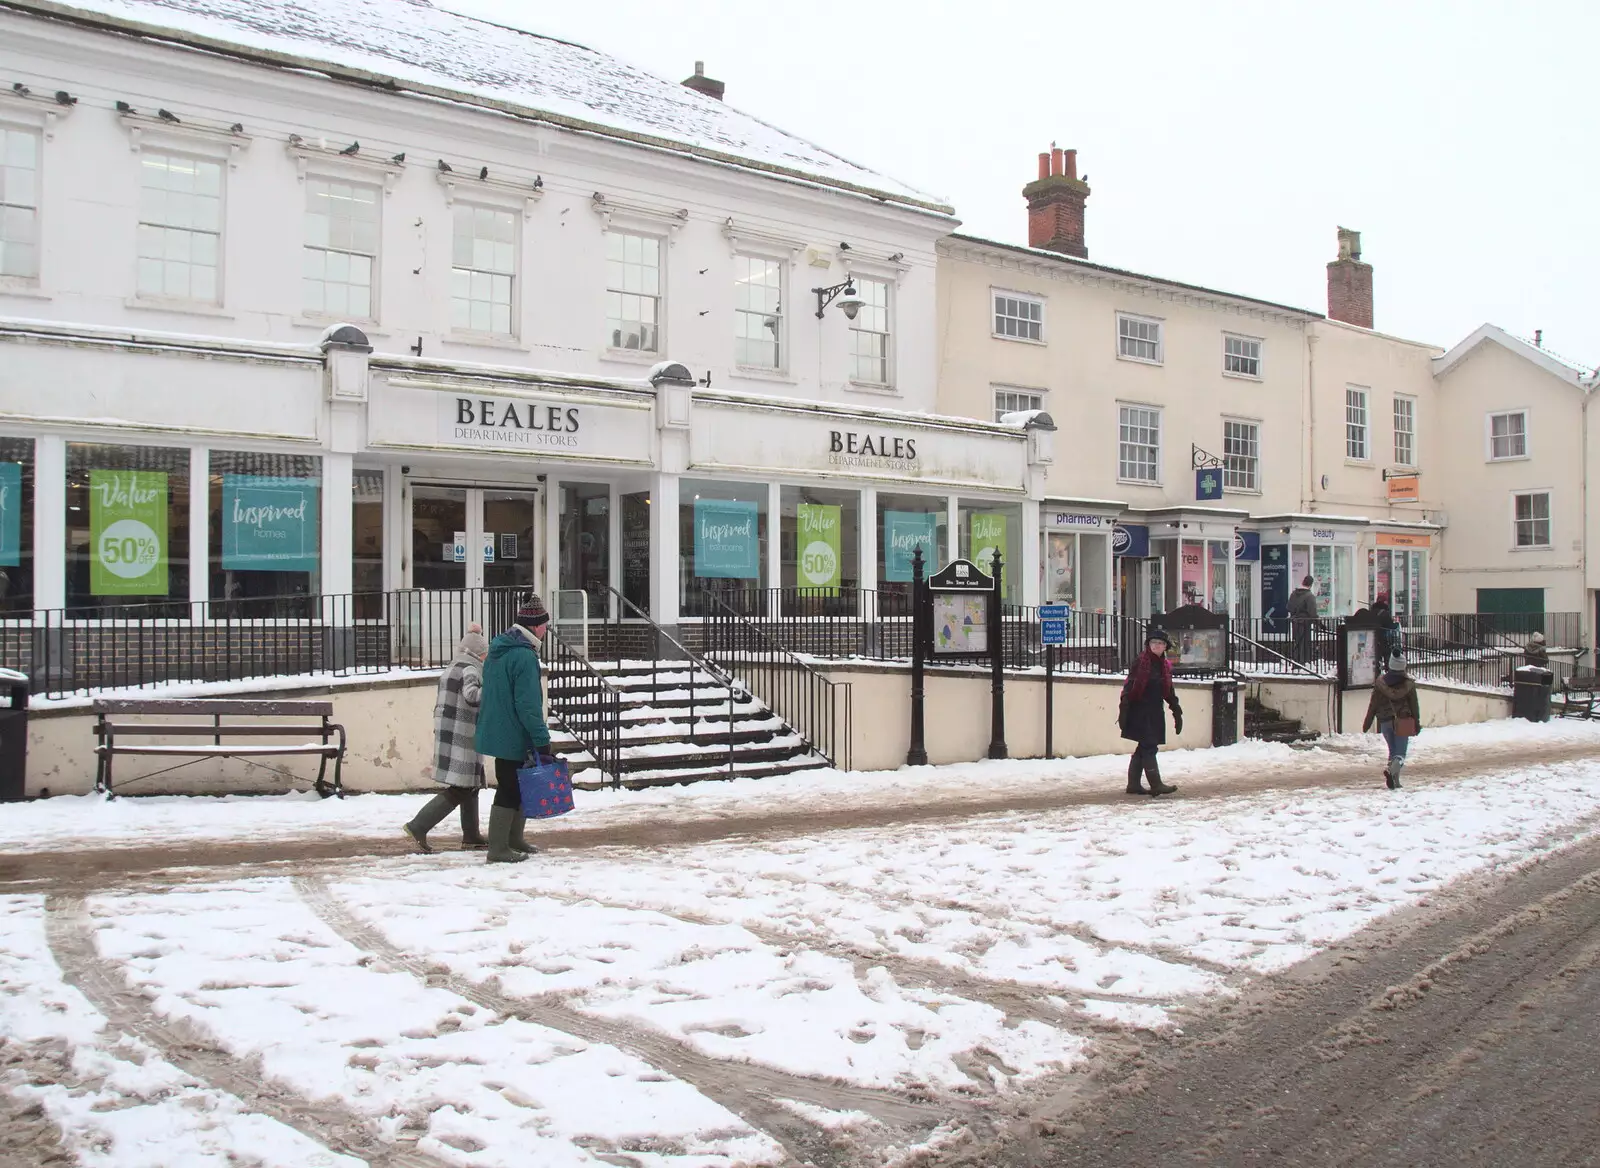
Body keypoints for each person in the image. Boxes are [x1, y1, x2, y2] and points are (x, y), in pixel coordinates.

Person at [475, 594, 555, 864]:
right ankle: (498, 847)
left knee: (517, 784)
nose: (547, 628)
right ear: (534, 626)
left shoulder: (501, 651)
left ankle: (513, 839)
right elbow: (528, 704)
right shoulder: (523, 656)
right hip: (513, 732)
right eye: (544, 623)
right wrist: (541, 739)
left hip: (498, 728)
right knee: (510, 788)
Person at [403, 623, 489, 853]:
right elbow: (472, 697)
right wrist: (492, 688)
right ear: (476, 653)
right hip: (464, 733)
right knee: (461, 786)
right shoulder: (471, 668)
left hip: (449, 730)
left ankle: (471, 835)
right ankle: (419, 825)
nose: (485, 657)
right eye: (484, 653)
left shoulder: (452, 668)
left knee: (469, 785)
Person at [1119, 625, 1182, 797]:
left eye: (1160, 643)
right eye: (1153, 642)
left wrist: (1176, 709)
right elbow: (1130, 686)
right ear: (1148, 645)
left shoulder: (1164, 666)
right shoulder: (1142, 662)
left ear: (1165, 647)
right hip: (1140, 710)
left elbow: (1168, 690)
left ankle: (1133, 784)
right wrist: (1124, 709)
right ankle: (1156, 784)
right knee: (1149, 747)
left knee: (1144, 747)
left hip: (1154, 710)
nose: (1156, 646)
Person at [1362, 652, 1421, 789]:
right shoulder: (1409, 684)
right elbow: (1414, 705)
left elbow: (1373, 704)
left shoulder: (1380, 683)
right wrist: (1416, 722)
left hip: (1385, 722)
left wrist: (1368, 722)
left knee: (1393, 751)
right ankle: (1391, 772)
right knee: (1400, 755)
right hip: (1403, 720)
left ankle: (1395, 782)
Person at [1288, 575, 1319, 662]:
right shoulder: (1309, 596)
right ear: (1311, 585)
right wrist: (1318, 623)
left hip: (1295, 622)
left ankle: (1296, 662)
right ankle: (1304, 662)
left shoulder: (1293, 594)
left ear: (1302, 582)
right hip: (1305, 623)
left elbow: (1289, 607)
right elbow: (1312, 612)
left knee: (1297, 642)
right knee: (1305, 644)